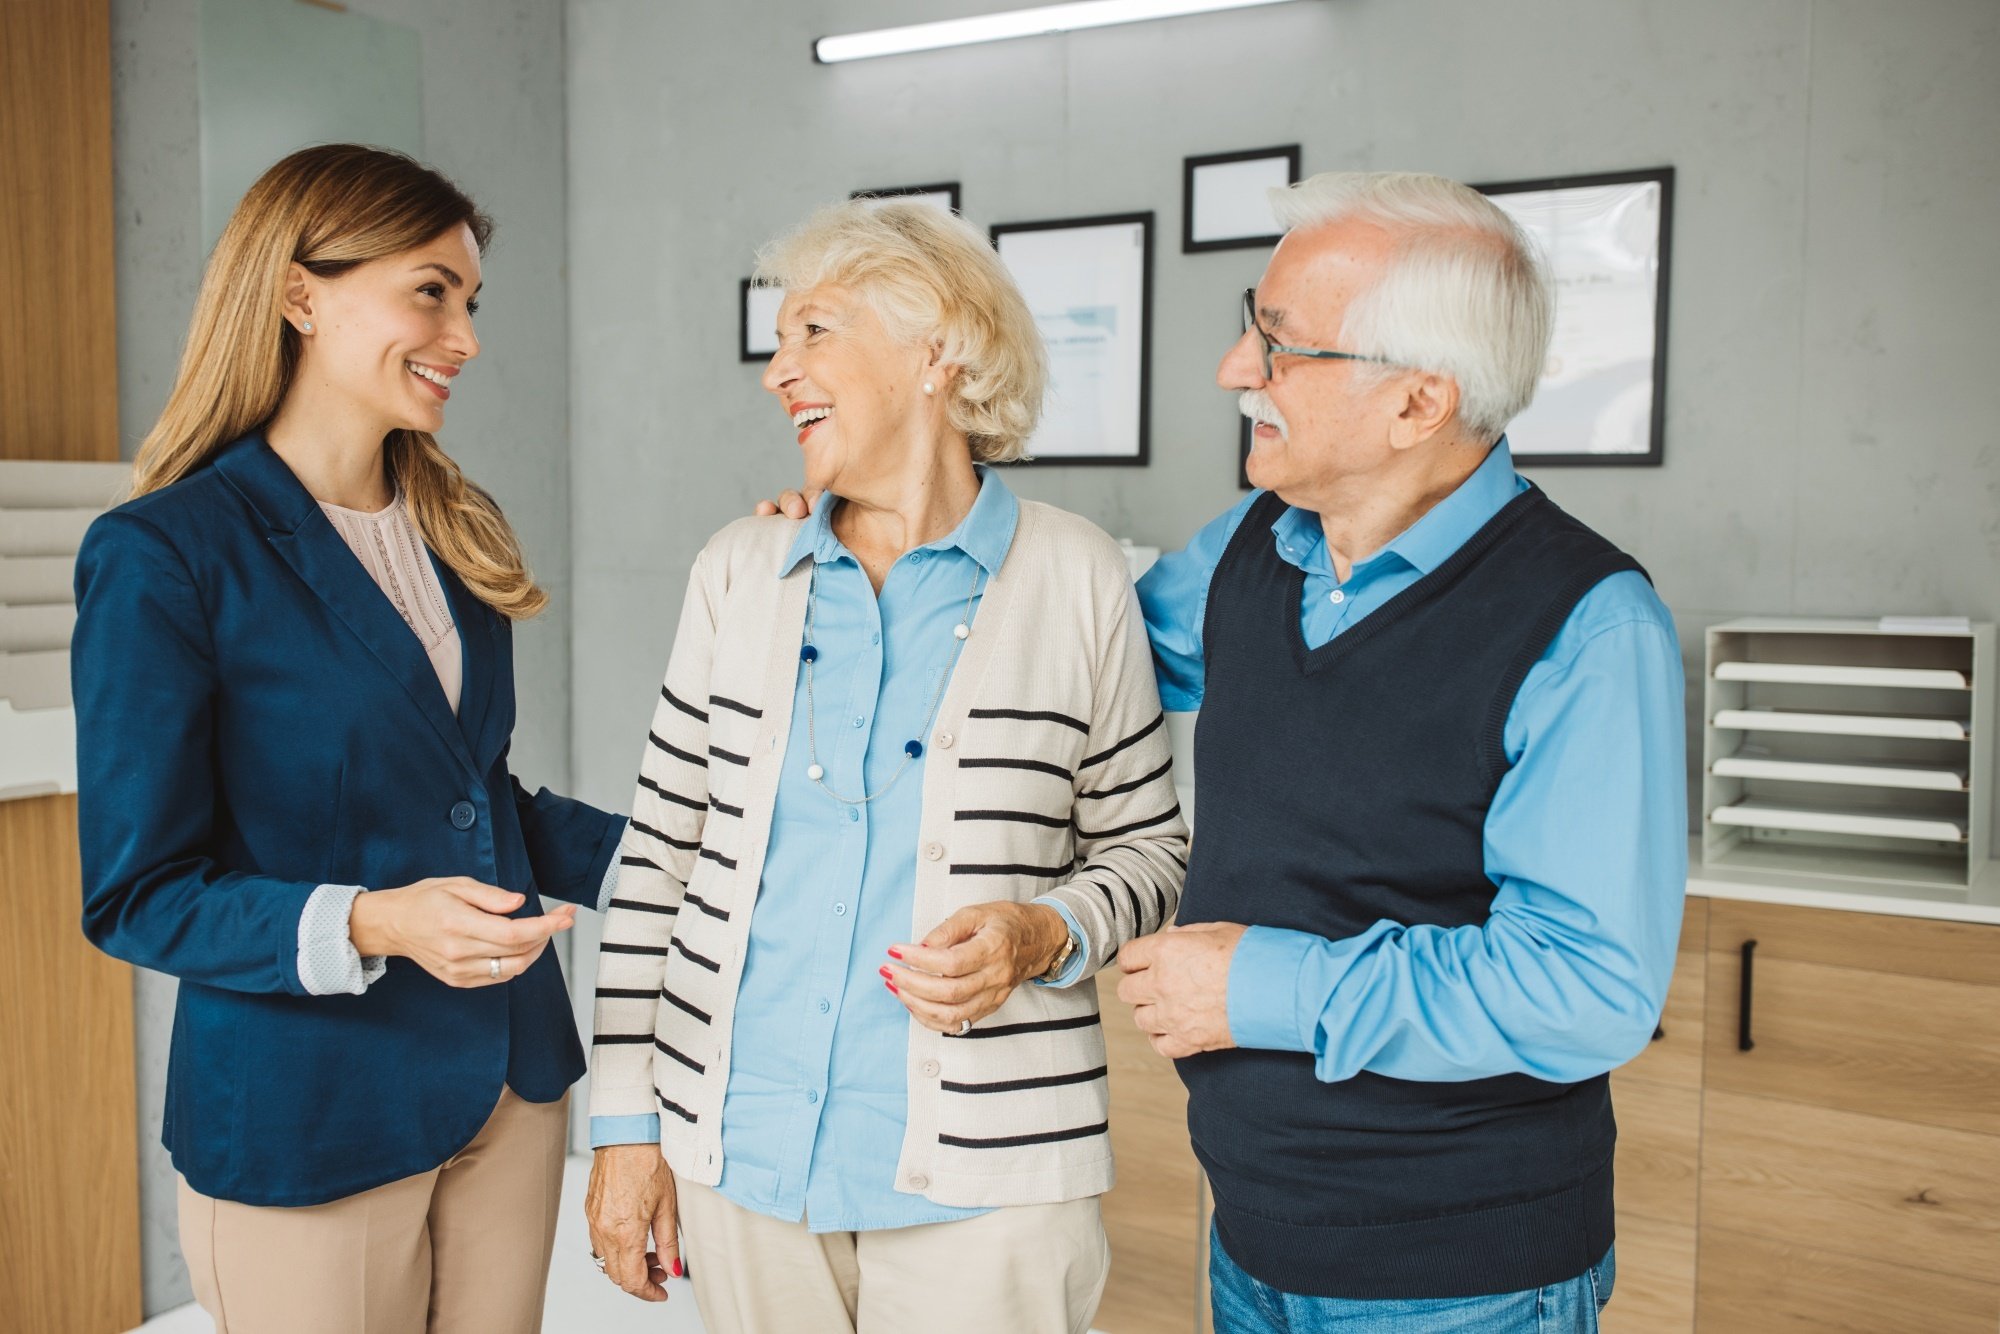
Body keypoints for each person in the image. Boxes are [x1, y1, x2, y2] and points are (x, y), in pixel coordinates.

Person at [584, 199, 1188, 1334]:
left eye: (813, 331)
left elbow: (1149, 848)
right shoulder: (738, 568)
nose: (778, 372)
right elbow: (658, 857)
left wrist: (1040, 932)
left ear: (937, 347)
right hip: (743, 1153)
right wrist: (624, 1127)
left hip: (993, 1180)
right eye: (779, 340)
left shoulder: (1074, 575)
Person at [1117, 171, 1687, 1330]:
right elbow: (1078, 659)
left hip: (1461, 1273)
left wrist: (1262, 985)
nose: (1237, 373)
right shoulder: (1250, 548)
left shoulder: (1586, 623)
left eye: (1278, 347)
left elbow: (1585, 988)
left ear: (1419, 401)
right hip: (1255, 1225)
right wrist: (866, 534)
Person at [72, 144, 627, 1334]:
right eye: (429, 290)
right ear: (298, 293)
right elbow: (139, 893)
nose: (464, 337)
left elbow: (473, 798)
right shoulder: (164, 554)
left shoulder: (454, 530)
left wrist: (681, 853)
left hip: (509, 1085)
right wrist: (378, 920)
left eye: (469, 301)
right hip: (307, 1109)